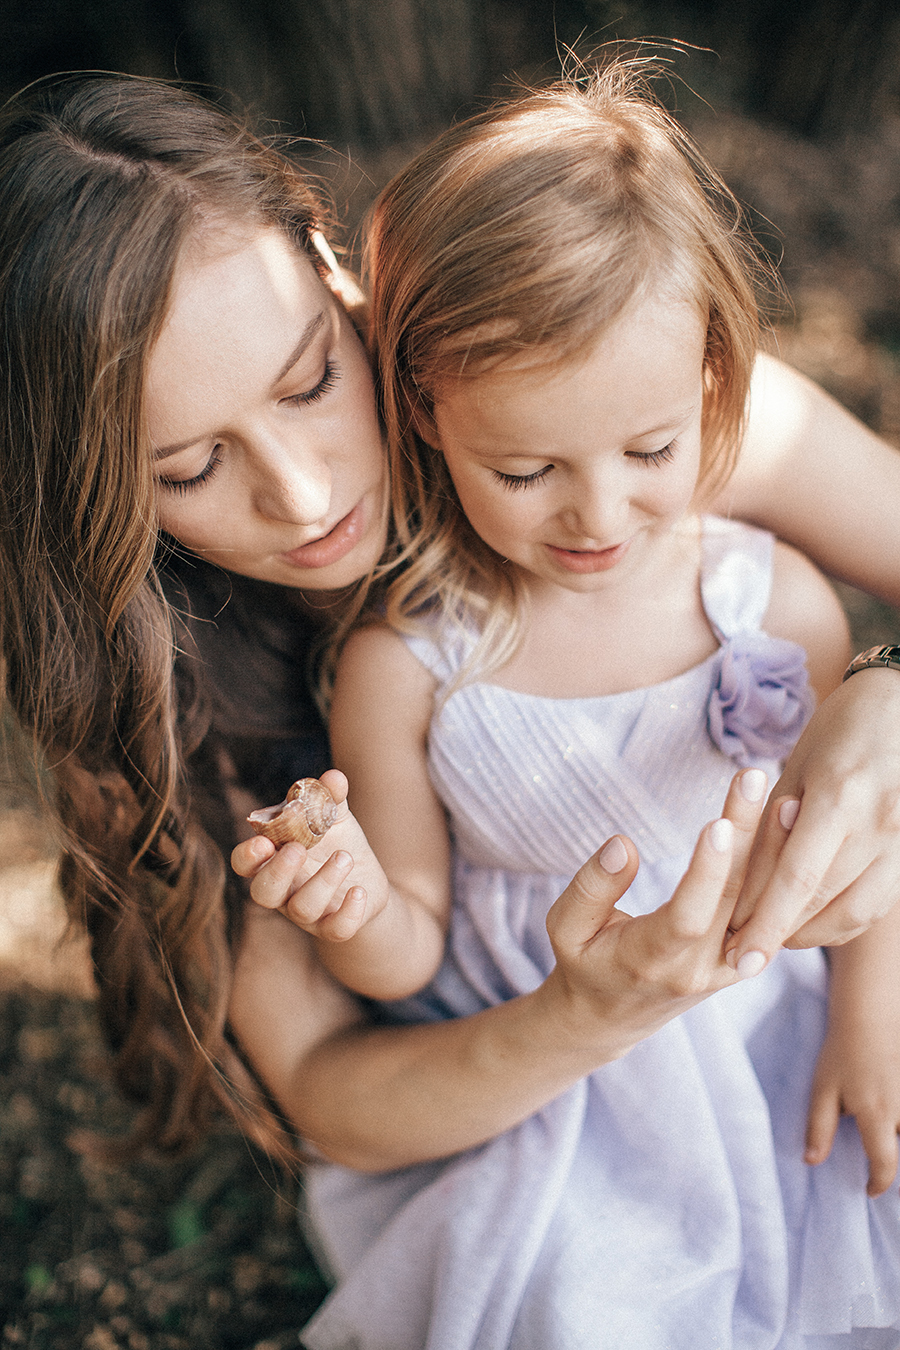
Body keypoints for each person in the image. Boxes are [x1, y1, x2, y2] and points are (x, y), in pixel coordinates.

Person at [1, 69, 900, 1247]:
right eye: (187, 467)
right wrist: (588, 1013)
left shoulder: (588, 401)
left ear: (334, 267)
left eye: (313, 379)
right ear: (88, 499)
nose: (304, 491)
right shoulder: (174, 695)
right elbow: (330, 1094)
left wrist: (883, 687)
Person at [249, 64, 900, 1349]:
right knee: (586, 1305)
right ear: (426, 414)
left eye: (649, 452)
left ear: (716, 381)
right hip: (569, 1085)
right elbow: (415, 946)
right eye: (526, 467)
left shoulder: (772, 598)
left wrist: (871, 1017)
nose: (595, 516)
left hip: (784, 1022)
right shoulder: (408, 667)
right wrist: (356, 904)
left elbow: (858, 841)